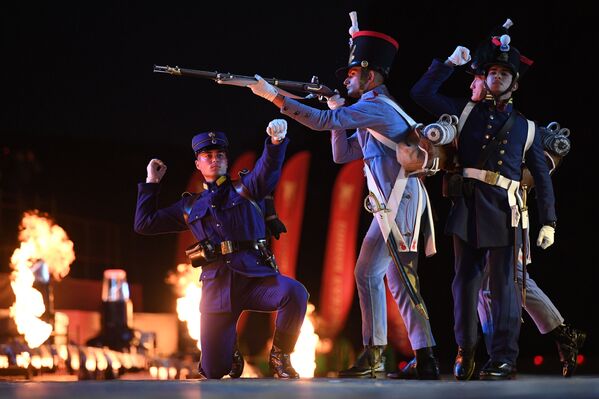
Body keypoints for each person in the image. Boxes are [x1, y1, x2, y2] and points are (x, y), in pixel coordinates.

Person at [247, 24, 439, 379]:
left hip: (399, 201)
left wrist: (274, 96)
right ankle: (404, 356)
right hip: (391, 203)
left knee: (386, 277)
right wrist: (337, 110)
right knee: (386, 277)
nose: (348, 79)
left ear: (371, 76)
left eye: (353, 73)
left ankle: (394, 356)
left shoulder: (376, 107)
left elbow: (319, 121)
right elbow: (343, 153)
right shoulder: (369, 108)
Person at [411, 24, 557, 380]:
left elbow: (541, 177)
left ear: (514, 83)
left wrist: (549, 221)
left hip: (506, 210)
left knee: (505, 287)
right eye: (491, 71)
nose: (496, 77)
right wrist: (448, 63)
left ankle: (504, 358)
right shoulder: (466, 112)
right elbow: (421, 93)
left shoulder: (528, 128)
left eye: (503, 73)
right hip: (469, 206)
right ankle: (467, 349)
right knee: (464, 283)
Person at [134, 120, 309, 379]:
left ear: (227, 160)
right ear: (198, 163)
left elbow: (268, 168)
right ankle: (230, 349)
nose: (214, 160)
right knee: (214, 371)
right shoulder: (190, 207)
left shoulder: (247, 188)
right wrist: (151, 182)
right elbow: (144, 224)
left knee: (294, 292)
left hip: (254, 280)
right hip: (217, 291)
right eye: (207, 156)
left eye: (219, 155)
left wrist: (275, 143)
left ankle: (280, 357)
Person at [469, 73, 586, 378]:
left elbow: (532, 177)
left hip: (509, 212)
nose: (475, 86)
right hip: (485, 211)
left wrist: (549, 222)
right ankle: (555, 335)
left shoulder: (521, 127)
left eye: (477, 81)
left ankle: (515, 348)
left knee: (512, 281)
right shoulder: (479, 118)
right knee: (499, 282)